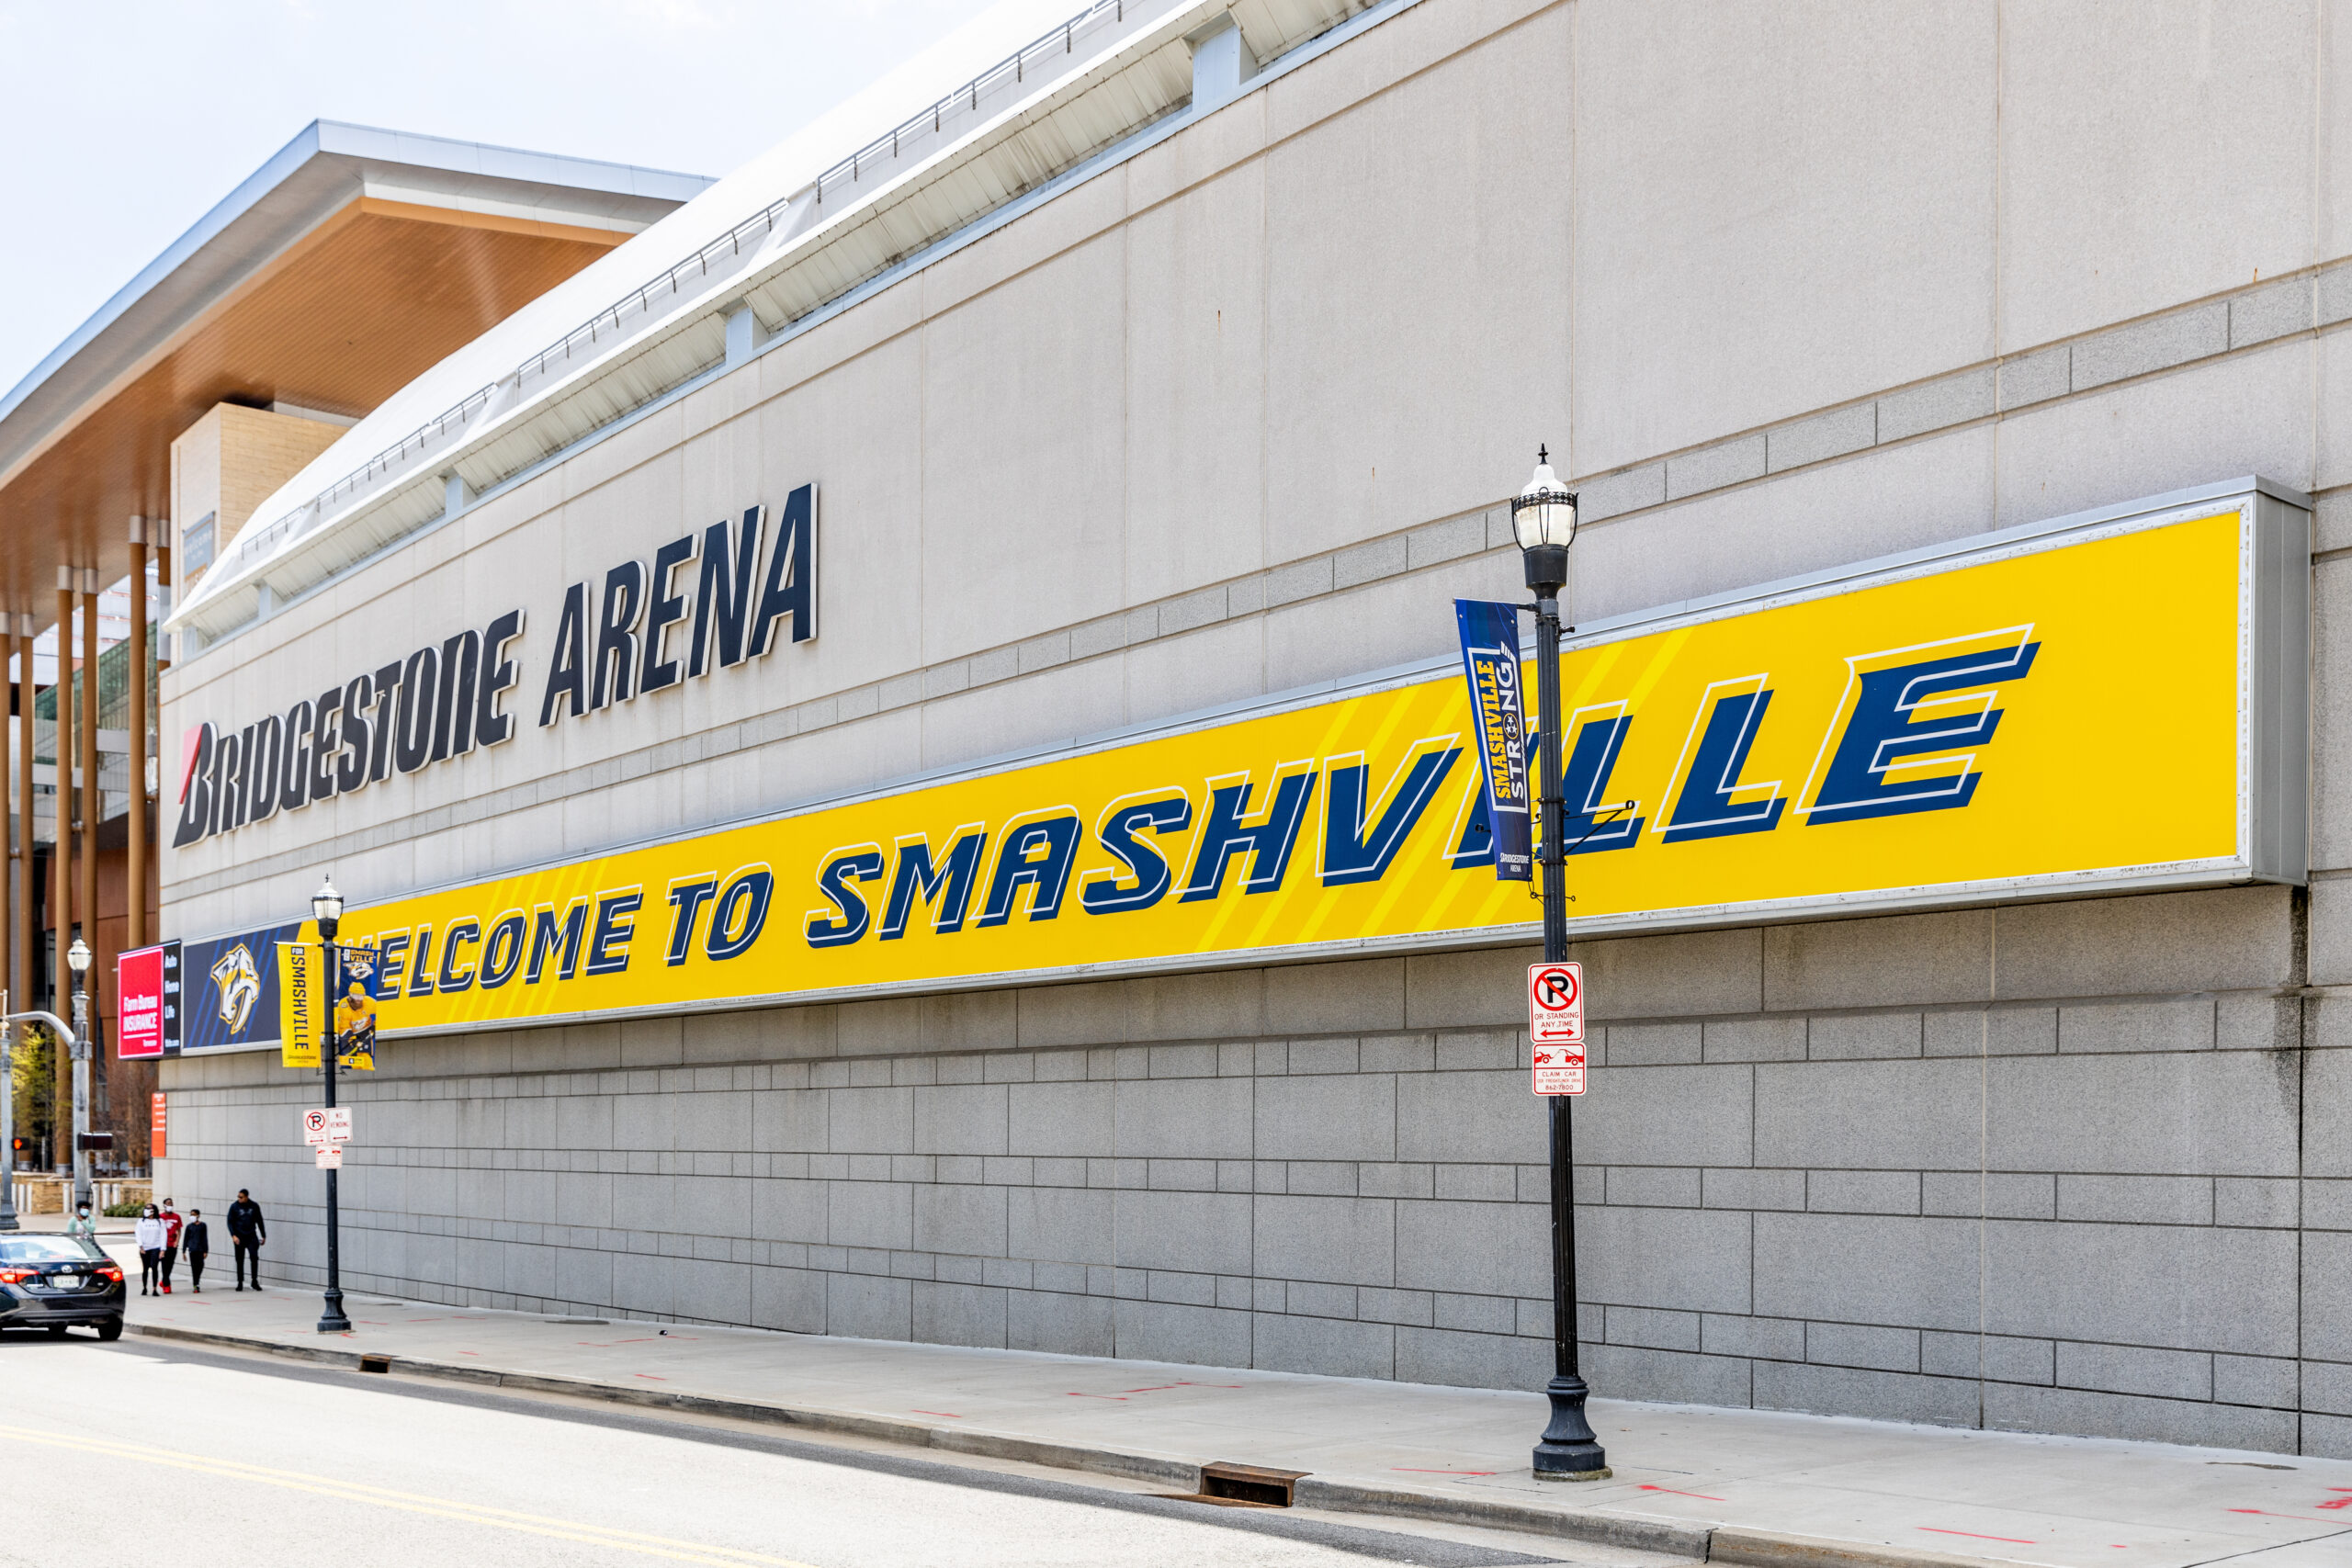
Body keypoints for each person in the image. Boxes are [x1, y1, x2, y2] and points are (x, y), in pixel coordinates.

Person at [227, 1189, 265, 1291]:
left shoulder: (254, 1206)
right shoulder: (234, 1206)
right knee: (239, 1259)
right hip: (239, 1236)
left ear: (246, 1197)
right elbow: (229, 1222)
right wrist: (233, 1235)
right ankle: (240, 1282)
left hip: (251, 1235)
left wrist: (263, 1235)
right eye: (238, 1197)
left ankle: (254, 1280)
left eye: (241, 1197)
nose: (239, 1199)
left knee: (254, 1257)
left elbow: (260, 1221)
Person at [133, 1204, 164, 1296]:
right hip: (145, 1248)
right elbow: (138, 1234)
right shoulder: (141, 1222)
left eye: (149, 1208)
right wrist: (141, 1246)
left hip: (156, 1247)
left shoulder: (159, 1221)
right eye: (146, 1208)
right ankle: (145, 1288)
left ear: (154, 1210)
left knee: (154, 1267)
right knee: (145, 1268)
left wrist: (163, 1250)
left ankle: (154, 1289)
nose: (147, 1210)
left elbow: (163, 1235)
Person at [158, 1199, 183, 1293]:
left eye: (172, 1204)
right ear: (164, 1205)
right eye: (168, 1204)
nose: (170, 1205)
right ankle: (167, 1286)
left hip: (173, 1245)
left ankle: (164, 1281)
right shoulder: (160, 1217)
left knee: (170, 1265)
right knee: (164, 1265)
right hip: (163, 1246)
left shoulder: (177, 1217)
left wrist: (177, 1241)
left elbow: (179, 1231)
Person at [183, 1209, 209, 1293]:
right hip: (192, 1250)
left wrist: (206, 1250)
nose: (192, 1216)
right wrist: (184, 1251)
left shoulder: (203, 1225)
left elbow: (205, 1238)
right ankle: (196, 1285)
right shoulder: (189, 1227)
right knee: (194, 1268)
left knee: (201, 1265)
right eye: (191, 1215)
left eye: (194, 1215)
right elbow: (185, 1239)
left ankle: (197, 1280)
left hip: (200, 1249)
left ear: (198, 1215)